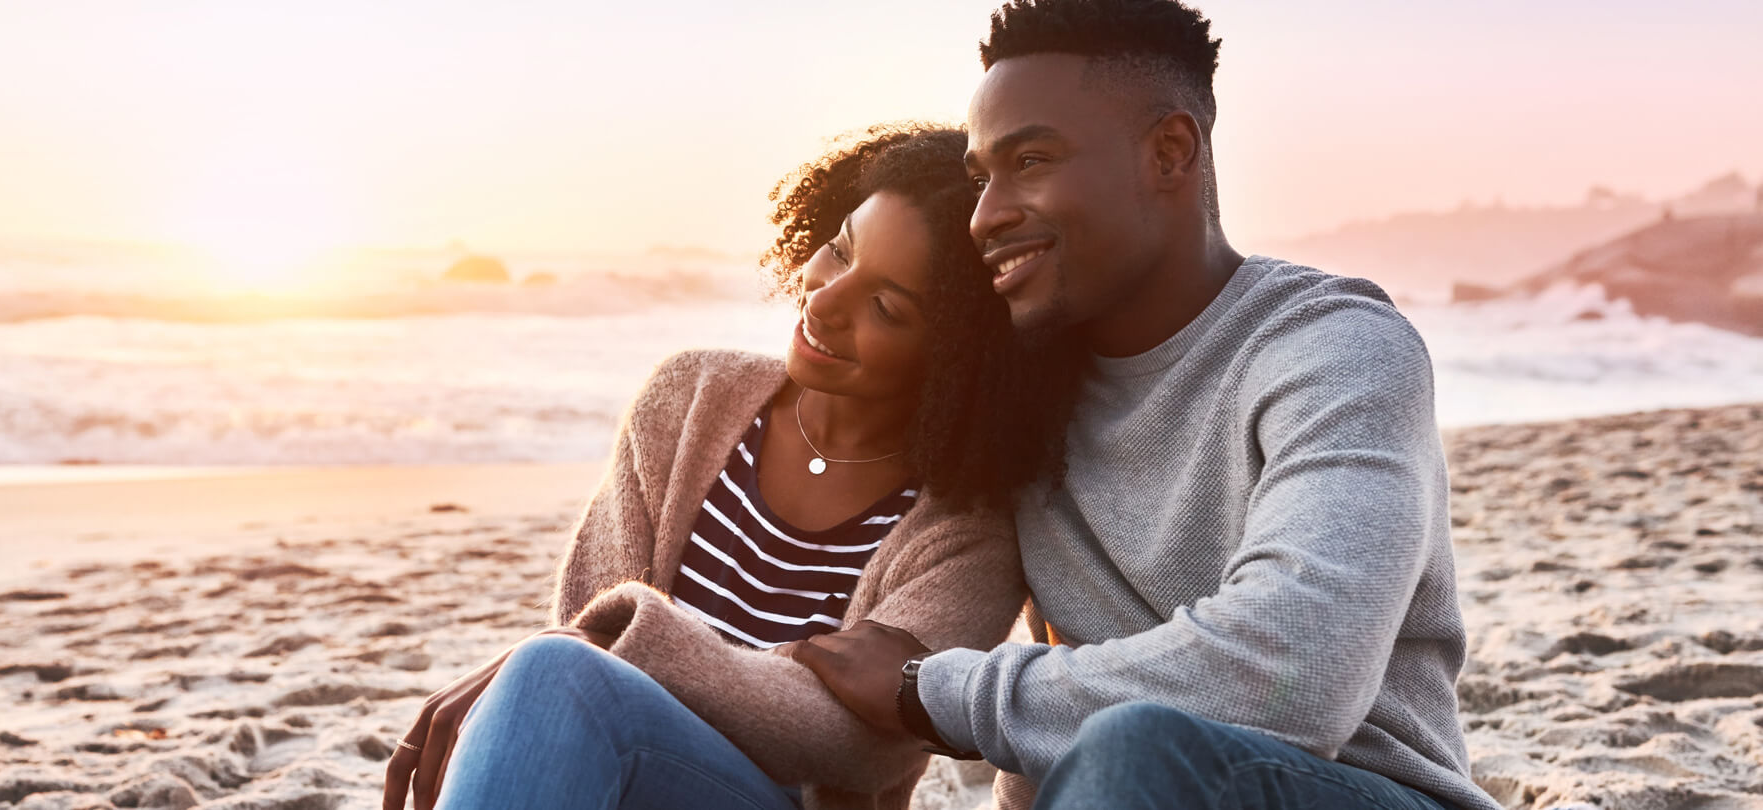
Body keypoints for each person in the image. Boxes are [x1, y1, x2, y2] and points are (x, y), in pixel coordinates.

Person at [789, 2, 1502, 809]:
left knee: (1135, 747)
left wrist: (933, 692)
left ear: (1170, 152)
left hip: (1354, 789)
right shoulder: (1018, 388)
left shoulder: (1334, 349)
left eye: (1031, 161)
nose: (987, 214)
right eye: (981, 176)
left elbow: (1291, 675)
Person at [379, 125, 1083, 810]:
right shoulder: (689, 399)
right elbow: (583, 621)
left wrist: (629, 632)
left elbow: (855, 742)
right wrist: (614, 647)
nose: (825, 299)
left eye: (885, 307)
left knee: (555, 671)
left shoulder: (966, 529)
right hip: (611, 783)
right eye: (839, 251)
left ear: (959, 361)